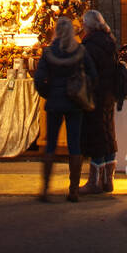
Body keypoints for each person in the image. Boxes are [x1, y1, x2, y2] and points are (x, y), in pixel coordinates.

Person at [33, 16, 97, 203]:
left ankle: (45, 189)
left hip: (54, 102)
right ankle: (73, 190)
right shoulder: (80, 51)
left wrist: (48, 93)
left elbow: (39, 79)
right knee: (74, 144)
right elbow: (93, 75)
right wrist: (84, 90)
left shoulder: (48, 52)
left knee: (50, 144)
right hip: (75, 102)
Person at [80, 10, 119, 194]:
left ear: (88, 25)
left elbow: (86, 71)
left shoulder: (89, 45)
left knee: (96, 135)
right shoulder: (109, 41)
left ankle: (94, 181)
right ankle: (108, 180)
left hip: (94, 95)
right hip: (109, 94)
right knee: (108, 133)